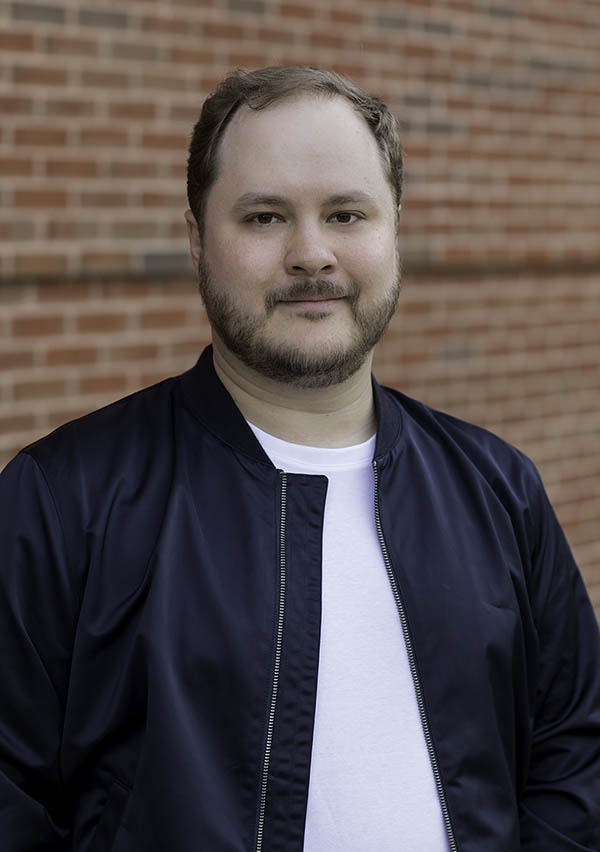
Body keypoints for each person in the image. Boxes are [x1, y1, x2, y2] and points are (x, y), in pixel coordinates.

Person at [0, 66, 599, 852]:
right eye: (264, 217)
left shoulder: (499, 489)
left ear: (394, 232)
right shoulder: (61, 500)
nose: (311, 254)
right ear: (196, 241)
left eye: (347, 214)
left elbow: (572, 756)